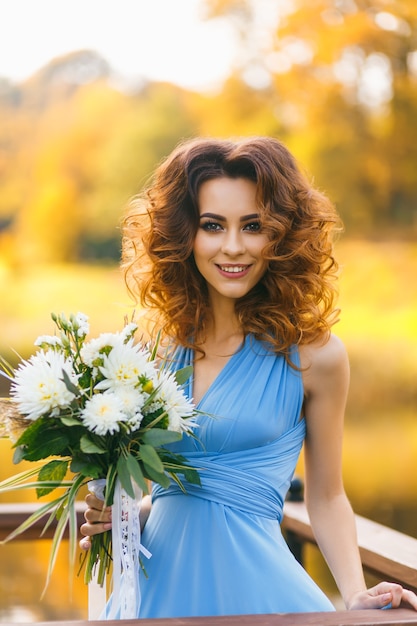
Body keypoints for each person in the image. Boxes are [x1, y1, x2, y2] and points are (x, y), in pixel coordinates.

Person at [79, 136, 417, 618]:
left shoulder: (316, 358)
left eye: (253, 226)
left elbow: (327, 495)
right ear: (184, 236)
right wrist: (121, 514)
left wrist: (354, 593)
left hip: (264, 597)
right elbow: (172, 499)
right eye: (212, 226)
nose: (233, 247)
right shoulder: (146, 354)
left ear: (281, 235)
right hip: (157, 598)